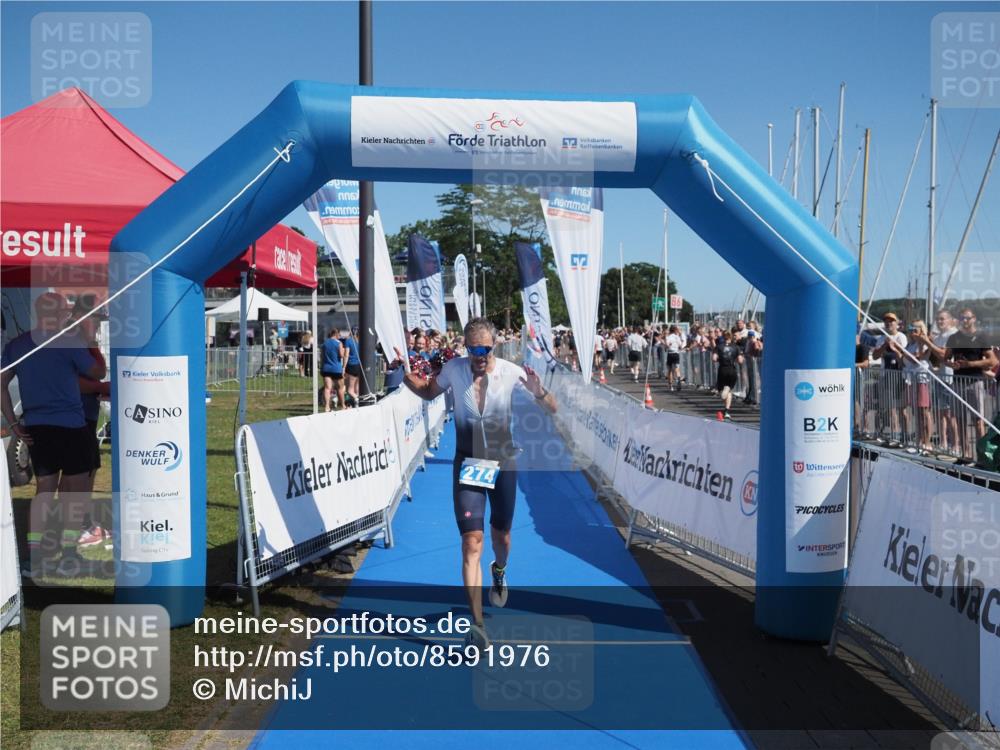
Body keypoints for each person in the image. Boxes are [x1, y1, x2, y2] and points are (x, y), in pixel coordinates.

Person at [394, 318, 556, 650]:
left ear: (493, 346)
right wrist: (402, 373)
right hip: (468, 463)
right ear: (465, 347)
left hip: (502, 464)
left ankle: (499, 569)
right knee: (471, 543)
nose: (479, 356)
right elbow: (427, 392)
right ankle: (477, 626)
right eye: (472, 349)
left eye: (484, 349)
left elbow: (551, 407)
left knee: (502, 537)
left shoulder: (511, 372)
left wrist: (540, 391)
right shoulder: (454, 369)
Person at [1, 292, 107, 575]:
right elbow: (98, 372)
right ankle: (70, 554)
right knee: (75, 494)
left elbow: (1, 383)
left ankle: (35, 559)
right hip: (72, 427)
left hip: (37, 427)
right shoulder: (70, 343)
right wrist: (91, 341)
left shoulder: (17, 345)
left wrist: (13, 424)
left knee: (44, 492)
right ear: (60, 313)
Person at [67, 294, 112, 548]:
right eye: (96, 320)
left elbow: (100, 369)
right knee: (79, 474)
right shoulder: (72, 338)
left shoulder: (84, 339)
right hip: (75, 415)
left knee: (88, 469)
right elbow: (73, 382)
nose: (98, 325)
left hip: (85, 415)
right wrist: (103, 386)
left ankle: (81, 525)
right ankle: (80, 528)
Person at [944, 308, 997, 463]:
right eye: (961, 318)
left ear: (973, 319)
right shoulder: (954, 338)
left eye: (967, 318)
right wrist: (951, 364)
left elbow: (992, 360)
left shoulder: (981, 336)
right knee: (959, 419)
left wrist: (970, 363)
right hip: (958, 382)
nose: (964, 321)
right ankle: (965, 453)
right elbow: (946, 357)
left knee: (978, 420)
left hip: (975, 381)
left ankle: (981, 457)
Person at [923, 310, 960, 459]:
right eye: (938, 319)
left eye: (943, 319)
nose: (940, 322)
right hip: (940, 377)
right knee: (941, 412)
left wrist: (927, 342)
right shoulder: (939, 337)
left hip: (950, 378)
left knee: (951, 414)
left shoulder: (953, 335)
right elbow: (936, 358)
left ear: (950, 320)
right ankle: (944, 442)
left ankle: (956, 445)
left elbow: (944, 354)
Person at [873, 312, 907, 448]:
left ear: (897, 323)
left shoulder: (901, 337)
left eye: (892, 321)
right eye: (886, 321)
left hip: (899, 376)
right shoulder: (881, 338)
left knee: (901, 408)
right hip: (885, 376)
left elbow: (904, 356)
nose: (889, 323)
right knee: (890, 407)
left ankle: (904, 435)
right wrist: (883, 346)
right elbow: (875, 356)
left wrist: (894, 346)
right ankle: (894, 434)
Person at [903, 320, 934, 455]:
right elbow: (906, 357)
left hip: (922, 379)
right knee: (917, 412)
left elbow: (919, 357)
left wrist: (922, 340)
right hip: (913, 379)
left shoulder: (926, 342)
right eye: (911, 328)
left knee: (924, 412)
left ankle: (927, 442)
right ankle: (919, 441)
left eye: (915, 328)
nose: (912, 331)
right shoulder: (911, 343)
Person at [713, 331, 743, 420]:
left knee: (725, 392)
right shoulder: (736, 347)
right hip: (732, 370)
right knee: (729, 390)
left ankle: (726, 410)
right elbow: (740, 360)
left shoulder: (718, 346)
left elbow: (714, 359)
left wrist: (721, 359)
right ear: (731, 337)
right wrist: (735, 359)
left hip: (722, 369)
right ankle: (726, 411)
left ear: (723, 336)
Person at [320, 329, 347, 412]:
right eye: (339, 335)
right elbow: (341, 355)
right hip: (336, 368)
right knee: (340, 388)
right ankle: (343, 405)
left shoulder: (324, 343)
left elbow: (322, 356)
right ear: (336, 334)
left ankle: (327, 407)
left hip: (326, 368)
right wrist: (344, 350)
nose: (339, 336)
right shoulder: (339, 343)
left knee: (327, 388)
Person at [342, 327, 362, 408]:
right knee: (357, 388)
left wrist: (343, 367)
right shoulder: (361, 341)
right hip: (359, 366)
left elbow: (346, 355)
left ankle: (357, 400)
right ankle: (356, 404)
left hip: (351, 366)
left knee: (350, 390)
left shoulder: (349, 341)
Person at [664, 325, 684, 391]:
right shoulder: (677, 337)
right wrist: (678, 346)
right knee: (677, 368)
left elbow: (667, 345)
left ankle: (671, 385)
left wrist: (667, 346)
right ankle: (678, 379)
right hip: (676, 354)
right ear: (675, 330)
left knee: (669, 370)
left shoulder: (668, 337)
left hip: (670, 354)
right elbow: (681, 346)